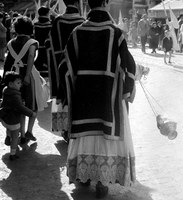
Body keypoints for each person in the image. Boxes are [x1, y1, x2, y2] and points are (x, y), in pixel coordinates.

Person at [57, 0, 147, 198]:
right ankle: (102, 182)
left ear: (89, 5)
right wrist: (128, 89)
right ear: (106, 3)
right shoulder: (115, 32)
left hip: (83, 97)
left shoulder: (77, 32)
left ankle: (85, 175)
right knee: (106, 137)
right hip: (109, 97)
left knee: (86, 135)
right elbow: (129, 66)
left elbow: (65, 67)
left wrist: (67, 93)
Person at [3, 16, 48, 143]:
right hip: (29, 75)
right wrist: (27, 75)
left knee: (19, 105)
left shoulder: (11, 43)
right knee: (32, 104)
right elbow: (31, 57)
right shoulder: (32, 42)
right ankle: (29, 132)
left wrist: (5, 79)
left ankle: (21, 134)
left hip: (14, 75)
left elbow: (7, 62)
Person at [46, 0, 85, 99]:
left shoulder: (58, 21)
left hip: (60, 61)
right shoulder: (82, 21)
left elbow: (49, 43)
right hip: (78, 61)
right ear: (76, 4)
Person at [0, 71, 36, 160]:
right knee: (15, 137)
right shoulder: (15, 95)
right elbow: (20, 108)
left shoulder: (6, 90)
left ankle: (8, 137)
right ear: (11, 84)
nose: (20, 85)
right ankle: (13, 154)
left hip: (4, 118)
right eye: (18, 83)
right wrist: (31, 113)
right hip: (13, 120)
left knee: (8, 128)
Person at [34, 6, 52, 78]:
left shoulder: (35, 25)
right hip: (47, 51)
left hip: (36, 50)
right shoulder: (51, 25)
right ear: (47, 14)